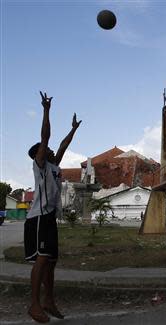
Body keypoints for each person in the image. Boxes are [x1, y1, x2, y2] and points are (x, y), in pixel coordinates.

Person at [24, 91, 82, 323]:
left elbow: (62, 145)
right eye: (43, 149)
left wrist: (74, 129)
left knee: (51, 262)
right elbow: (46, 137)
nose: (47, 150)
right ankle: (34, 304)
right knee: (41, 259)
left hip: (49, 217)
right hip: (37, 217)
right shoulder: (40, 165)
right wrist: (46, 110)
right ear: (38, 154)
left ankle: (49, 300)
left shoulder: (54, 165)